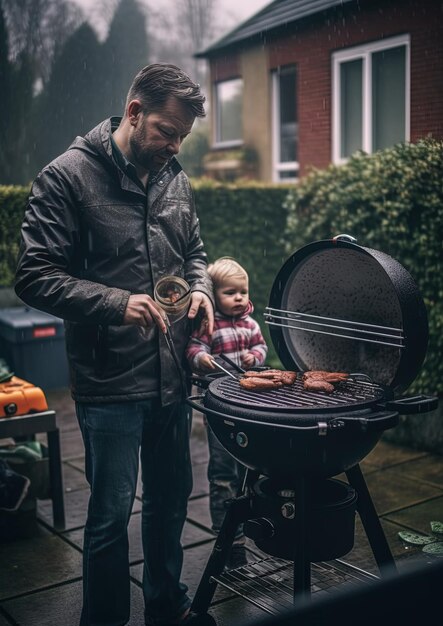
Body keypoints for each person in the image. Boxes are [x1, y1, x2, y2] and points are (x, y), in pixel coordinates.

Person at [15, 63, 214, 626]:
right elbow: (34, 274)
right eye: (166, 132)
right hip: (109, 385)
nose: (174, 147)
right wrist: (114, 303)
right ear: (133, 113)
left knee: (170, 506)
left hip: (173, 376)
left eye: (182, 137)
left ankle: (165, 607)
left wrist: (199, 289)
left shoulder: (174, 176)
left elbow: (194, 250)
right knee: (107, 519)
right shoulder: (66, 177)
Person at [186, 257, 267, 569]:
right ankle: (227, 539)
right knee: (222, 473)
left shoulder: (250, 325)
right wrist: (201, 359)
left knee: (247, 471)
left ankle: (248, 527)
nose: (239, 298)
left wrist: (253, 356)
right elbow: (193, 349)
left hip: (248, 408)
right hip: (219, 412)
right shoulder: (208, 325)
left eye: (243, 292)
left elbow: (261, 349)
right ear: (213, 294)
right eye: (230, 292)